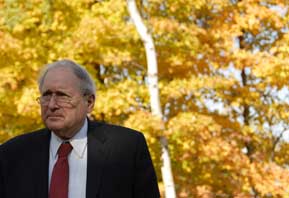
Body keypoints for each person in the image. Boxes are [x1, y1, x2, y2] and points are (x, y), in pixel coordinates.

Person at [0, 59, 160, 198]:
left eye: (62, 96)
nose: (52, 105)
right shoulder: (12, 154)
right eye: (46, 95)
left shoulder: (127, 148)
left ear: (89, 103)